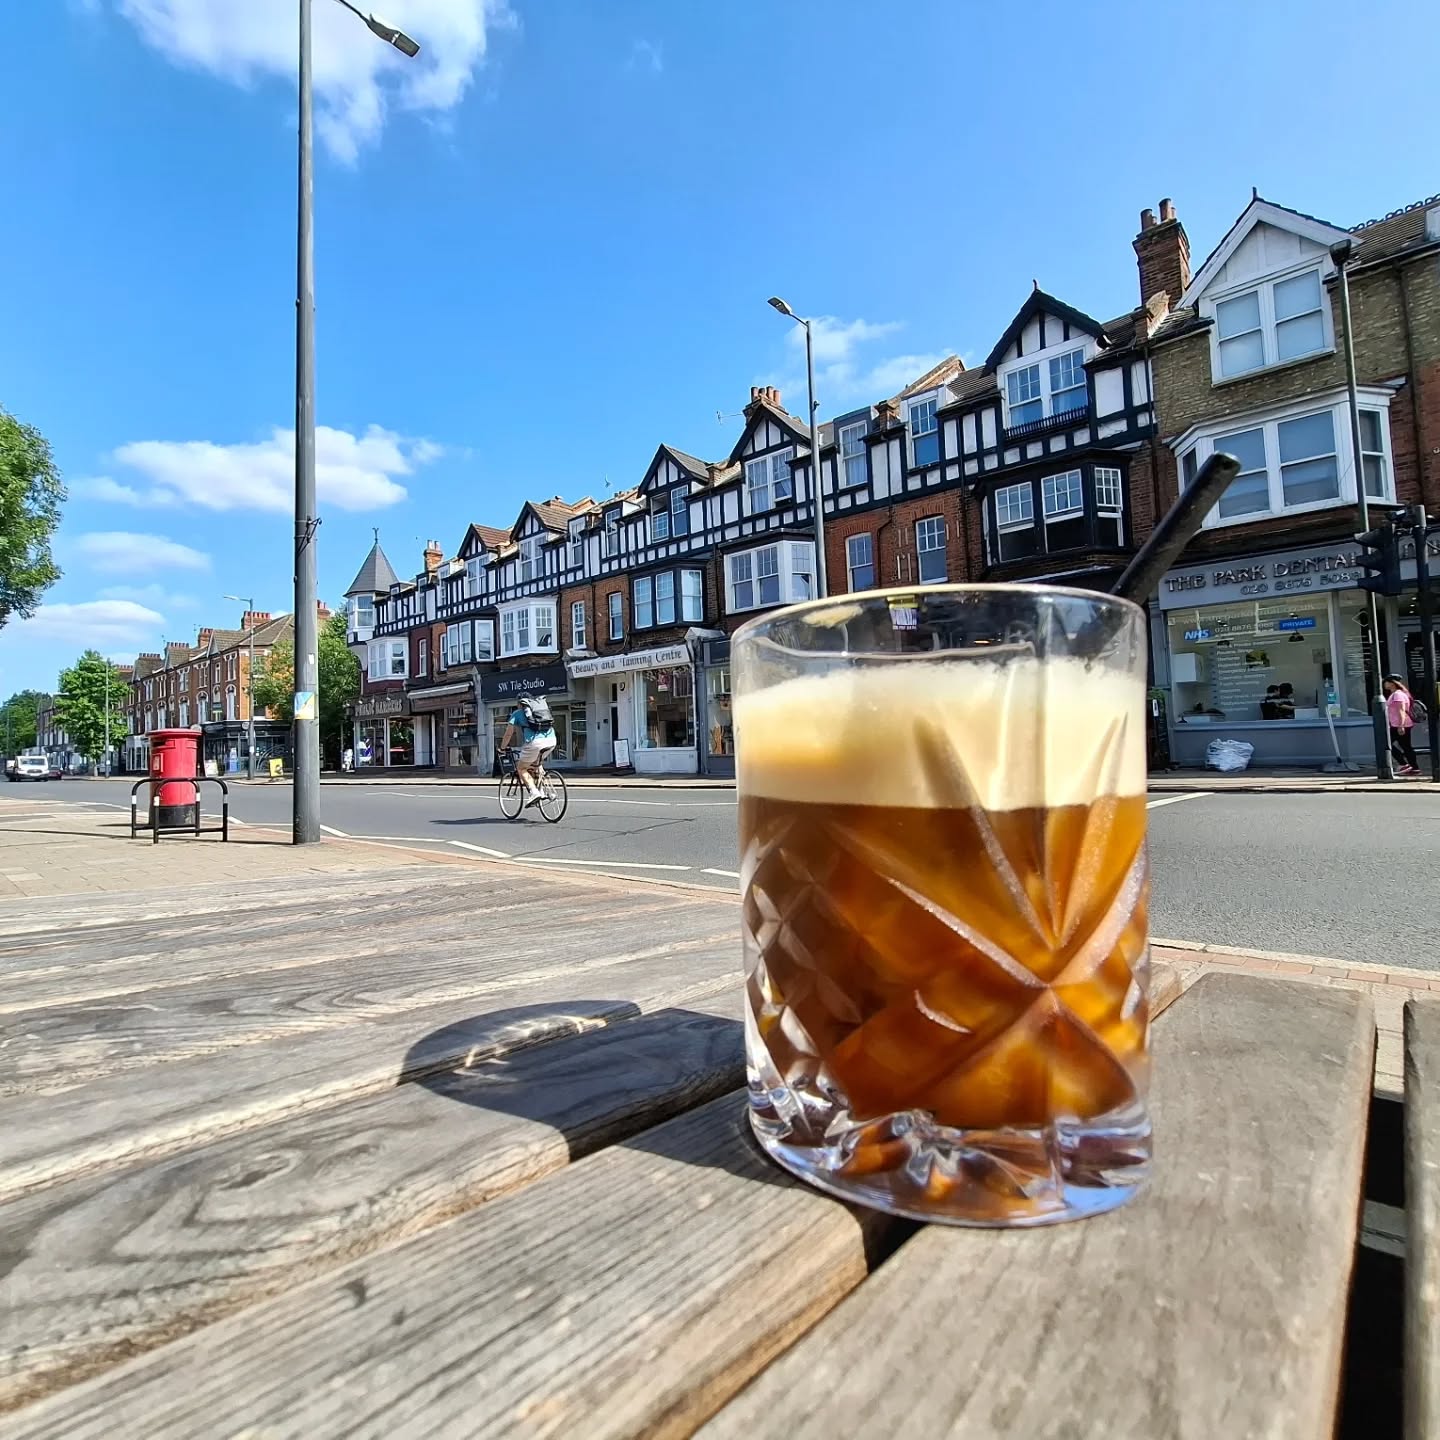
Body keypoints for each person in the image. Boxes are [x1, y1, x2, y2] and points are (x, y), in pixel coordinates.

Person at [502, 695, 557, 806]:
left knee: (521, 768)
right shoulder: (540, 710)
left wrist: (502, 748)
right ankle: (543, 791)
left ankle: (534, 792)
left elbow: (508, 733)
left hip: (535, 743)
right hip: (552, 740)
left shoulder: (517, 713)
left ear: (519, 703)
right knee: (536, 763)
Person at [1383, 676, 1419, 775]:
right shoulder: (1397, 694)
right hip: (1399, 724)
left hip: (1399, 724)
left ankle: (1404, 764)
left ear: (1392, 683)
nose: (1384, 684)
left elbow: (1401, 710)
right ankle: (1414, 767)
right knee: (1406, 746)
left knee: (1384, 743)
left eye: (1386, 682)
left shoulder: (1397, 695)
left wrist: (1401, 725)